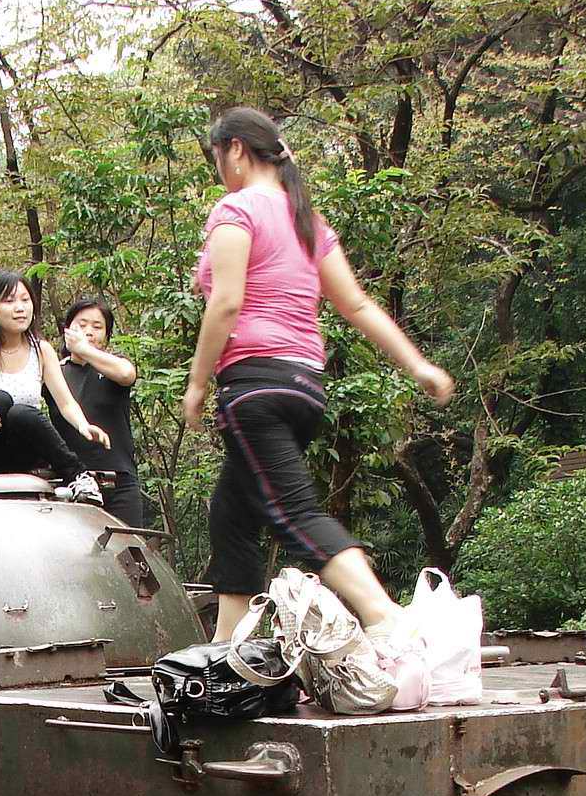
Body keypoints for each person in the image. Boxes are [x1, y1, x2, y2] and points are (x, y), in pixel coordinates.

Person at [183, 108, 455, 643]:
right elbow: (357, 304)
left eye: (217, 156)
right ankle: (227, 646)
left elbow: (227, 303)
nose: (218, 169)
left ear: (235, 149)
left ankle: (386, 616)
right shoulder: (308, 222)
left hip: (255, 386)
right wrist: (417, 364)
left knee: (295, 513)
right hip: (304, 385)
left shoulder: (236, 209)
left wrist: (197, 384)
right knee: (231, 512)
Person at [0, 269, 109, 504]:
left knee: (22, 412)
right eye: (9, 301)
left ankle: (79, 477)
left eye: (25, 300)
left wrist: (84, 425)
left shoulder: (42, 350)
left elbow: (65, 403)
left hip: (24, 450)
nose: (20, 308)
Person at [49, 296, 149, 528]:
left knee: (128, 546)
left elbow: (127, 375)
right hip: (71, 481)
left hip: (119, 480)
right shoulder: (54, 373)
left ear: (107, 334)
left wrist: (84, 349)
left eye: (97, 327)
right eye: (82, 324)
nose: (89, 331)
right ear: (67, 329)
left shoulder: (115, 365)